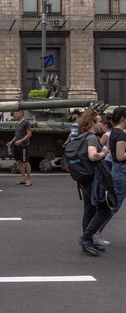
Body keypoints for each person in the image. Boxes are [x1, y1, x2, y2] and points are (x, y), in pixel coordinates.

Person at [74, 110, 112, 256]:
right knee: (104, 210)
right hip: (93, 178)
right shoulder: (91, 138)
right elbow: (92, 155)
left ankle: (87, 242)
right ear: (92, 123)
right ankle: (86, 238)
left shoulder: (81, 136)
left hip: (83, 177)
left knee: (89, 209)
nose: (101, 123)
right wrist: (103, 152)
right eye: (99, 120)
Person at [94, 107, 126, 246]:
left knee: (113, 204)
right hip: (122, 171)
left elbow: (113, 156)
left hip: (118, 170)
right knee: (114, 205)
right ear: (123, 119)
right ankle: (95, 232)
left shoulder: (112, 133)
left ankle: (94, 232)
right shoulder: (121, 134)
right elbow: (120, 156)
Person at [7, 110, 32, 187]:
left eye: (16, 113)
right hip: (16, 145)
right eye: (14, 113)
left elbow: (29, 134)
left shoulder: (26, 123)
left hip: (23, 146)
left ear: (21, 113)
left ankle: (28, 180)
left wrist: (21, 141)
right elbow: (16, 135)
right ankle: (23, 179)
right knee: (19, 162)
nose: (15, 115)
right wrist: (11, 142)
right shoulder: (17, 123)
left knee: (26, 162)